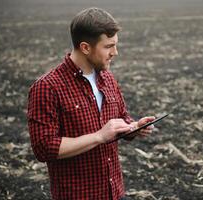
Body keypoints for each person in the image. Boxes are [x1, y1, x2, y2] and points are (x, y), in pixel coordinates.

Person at [27, 7, 155, 200]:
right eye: (108, 46)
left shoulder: (108, 78)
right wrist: (99, 136)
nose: (115, 52)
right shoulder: (47, 87)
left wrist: (134, 127)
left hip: (115, 193)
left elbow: (121, 118)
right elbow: (44, 148)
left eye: (115, 45)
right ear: (85, 47)